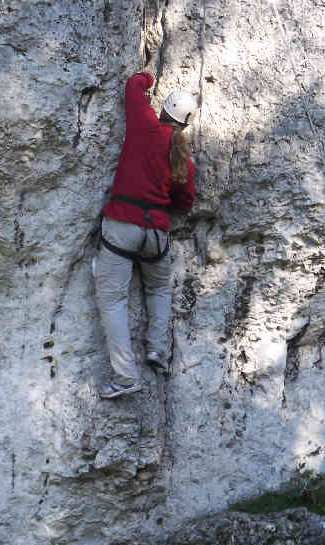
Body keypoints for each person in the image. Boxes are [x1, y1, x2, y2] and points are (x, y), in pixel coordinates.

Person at [95, 72, 197, 399]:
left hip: (123, 224)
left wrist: (147, 77)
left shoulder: (144, 124)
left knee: (113, 298)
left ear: (164, 111)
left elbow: (133, 86)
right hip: (157, 233)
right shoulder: (184, 159)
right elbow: (185, 201)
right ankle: (157, 350)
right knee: (158, 288)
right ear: (186, 124)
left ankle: (125, 376)